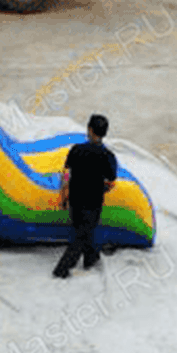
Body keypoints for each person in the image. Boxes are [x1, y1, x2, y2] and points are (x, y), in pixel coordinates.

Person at [53, 114, 118, 279]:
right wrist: (102, 189)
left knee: (83, 231)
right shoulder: (108, 156)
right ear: (105, 133)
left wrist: (63, 197)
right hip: (93, 203)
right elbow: (111, 181)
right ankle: (62, 269)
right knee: (82, 236)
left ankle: (91, 258)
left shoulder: (76, 150)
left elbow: (65, 175)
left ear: (89, 129)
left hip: (75, 200)